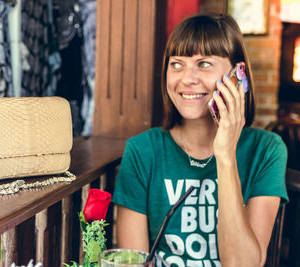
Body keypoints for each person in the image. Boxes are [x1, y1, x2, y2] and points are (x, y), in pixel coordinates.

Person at [112, 13, 288, 267]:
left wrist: (225, 155)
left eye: (204, 63)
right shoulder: (142, 150)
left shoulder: (266, 150)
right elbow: (133, 261)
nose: (187, 78)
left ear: (238, 74)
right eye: (176, 64)